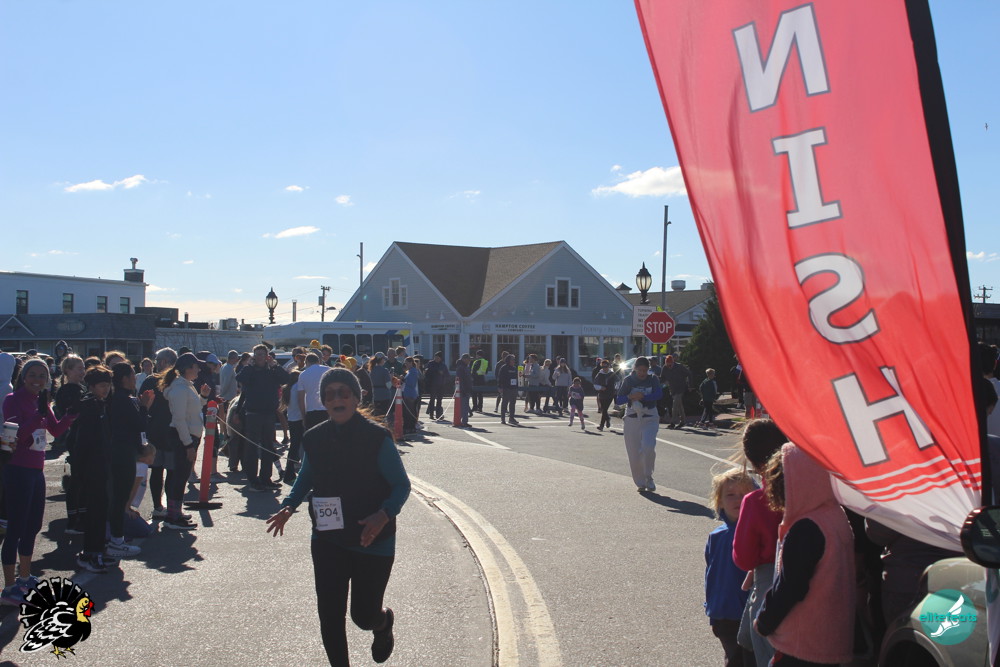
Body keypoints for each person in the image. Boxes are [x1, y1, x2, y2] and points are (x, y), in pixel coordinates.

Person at [265, 368, 411, 667]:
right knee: (330, 615)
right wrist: (289, 506)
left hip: (371, 538)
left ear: (356, 398)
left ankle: (383, 623)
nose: (336, 399)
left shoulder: (376, 437)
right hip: (328, 537)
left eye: (343, 392)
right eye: (329, 394)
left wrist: (383, 514)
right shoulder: (314, 437)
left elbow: (401, 485)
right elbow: (306, 477)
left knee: (363, 616)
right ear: (323, 402)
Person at [754, 443, 855, 666]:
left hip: (801, 643)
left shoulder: (806, 528)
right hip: (831, 639)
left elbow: (791, 586)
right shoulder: (834, 515)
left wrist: (764, 621)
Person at [1, 359, 78, 600]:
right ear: (23, 377)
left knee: (33, 526)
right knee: (15, 528)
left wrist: (71, 415)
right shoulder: (12, 399)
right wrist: (37, 416)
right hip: (17, 469)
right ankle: (9, 588)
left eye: (42, 376)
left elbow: (55, 430)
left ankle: (25, 577)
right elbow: (16, 435)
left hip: (36, 470)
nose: (37, 380)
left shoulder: (41, 401)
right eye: (33, 375)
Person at [732, 419, 786, 667]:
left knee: (760, 646)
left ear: (752, 461)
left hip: (767, 578)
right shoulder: (807, 490)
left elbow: (744, 558)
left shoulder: (756, 501)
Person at [705, 468, 755, 667]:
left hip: (746, 613)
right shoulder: (716, 536)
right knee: (734, 658)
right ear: (719, 502)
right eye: (730, 495)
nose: (738, 500)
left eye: (744, 495)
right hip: (722, 613)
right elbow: (711, 574)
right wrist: (711, 606)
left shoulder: (755, 533)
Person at [72, 366, 115, 574]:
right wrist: (80, 469)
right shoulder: (88, 407)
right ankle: (91, 553)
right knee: (95, 512)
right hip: (91, 466)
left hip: (101, 464)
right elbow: (82, 442)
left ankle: (96, 550)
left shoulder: (101, 405)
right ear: (91, 387)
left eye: (107, 385)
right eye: (101, 386)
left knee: (100, 510)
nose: (105, 389)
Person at [161, 353, 211, 529]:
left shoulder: (186, 386)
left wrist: (203, 397)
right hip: (183, 437)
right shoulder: (180, 389)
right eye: (196, 367)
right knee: (178, 476)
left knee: (181, 476)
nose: (198, 370)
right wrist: (188, 444)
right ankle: (173, 517)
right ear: (188, 368)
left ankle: (176, 512)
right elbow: (179, 419)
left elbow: (193, 409)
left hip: (187, 436)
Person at [107, 362, 153, 557]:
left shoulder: (120, 398)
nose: (135, 378)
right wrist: (144, 407)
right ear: (124, 379)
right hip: (123, 453)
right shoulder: (122, 399)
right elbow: (139, 425)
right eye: (133, 375)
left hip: (122, 452)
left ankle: (115, 537)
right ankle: (116, 540)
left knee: (119, 498)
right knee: (120, 499)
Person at [237, 345, 290, 492]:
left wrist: (275, 365)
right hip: (253, 413)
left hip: (269, 413)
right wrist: (249, 366)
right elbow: (239, 378)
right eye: (257, 354)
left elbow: (286, 379)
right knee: (252, 447)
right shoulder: (250, 371)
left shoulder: (272, 370)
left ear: (267, 356)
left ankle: (266, 478)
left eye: (262, 354)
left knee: (268, 446)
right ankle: (253, 480)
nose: (259, 357)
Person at [615, 357, 663, 493]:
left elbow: (659, 394)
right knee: (634, 453)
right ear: (635, 369)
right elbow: (619, 399)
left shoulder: (653, 379)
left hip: (649, 417)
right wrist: (631, 397)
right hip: (632, 417)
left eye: (645, 370)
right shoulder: (628, 381)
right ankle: (640, 482)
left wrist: (643, 397)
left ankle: (649, 477)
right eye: (640, 370)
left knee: (648, 446)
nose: (642, 373)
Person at [55, 355, 87, 532]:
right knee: (76, 481)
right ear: (67, 370)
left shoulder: (81, 388)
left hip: (85, 437)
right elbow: (70, 414)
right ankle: (73, 520)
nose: (82, 372)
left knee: (83, 480)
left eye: (83, 368)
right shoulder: (67, 391)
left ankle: (82, 515)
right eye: (78, 369)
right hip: (76, 438)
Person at [281, 370, 303, 485]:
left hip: (292, 419)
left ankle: (289, 472)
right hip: (299, 419)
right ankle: (291, 473)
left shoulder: (288, 389)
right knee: (299, 447)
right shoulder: (297, 388)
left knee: (294, 447)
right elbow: (301, 402)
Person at [299, 353, 329, 431]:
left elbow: (301, 398)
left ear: (306, 362)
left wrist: (303, 417)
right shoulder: (328, 370)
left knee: (313, 436)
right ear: (318, 361)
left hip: (311, 411)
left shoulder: (303, 375)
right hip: (328, 409)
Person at [660, 355, 692, 428]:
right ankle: (683, 421)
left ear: (673, 362)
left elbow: (689, 374)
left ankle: (673, 422)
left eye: (670, 364)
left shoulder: (679, 366)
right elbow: (662, 378)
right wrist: (665, 381)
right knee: (679, 405)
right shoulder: (664, 368)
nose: (669, 366)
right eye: (667, 364)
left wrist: (690, 385)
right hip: (672, 389)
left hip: (681, 388)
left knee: (675, 404)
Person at [593, 359, 617, 431]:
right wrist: (601, 387)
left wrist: (615, 389)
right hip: (602, 394)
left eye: (606, 366)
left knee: (605, 409)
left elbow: (618, 381)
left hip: (610, 394)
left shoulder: (612, 374)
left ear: (608, 366)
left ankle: (601, 426)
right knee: (603, 410)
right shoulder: (599, 374)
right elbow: (595, 384)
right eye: (603, 367)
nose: (604, 368)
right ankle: (608, 418)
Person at [496, 354, 520, 426]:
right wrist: (500, 387)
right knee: (504, 404)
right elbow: (500, 378)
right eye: (512, 359)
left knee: (512, 404)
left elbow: (516, 378)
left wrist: (517, 387)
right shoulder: (504, 368)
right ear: (508, 360)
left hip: (513, 388)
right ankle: (503, 419)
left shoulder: (514, 368)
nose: (514, 361)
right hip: (506, 388)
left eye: (514, 359)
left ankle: (511, 418)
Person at [401, 357, 420, 435]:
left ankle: (410, 427)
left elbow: (412, 384)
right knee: (409, 412)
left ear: (411, 363)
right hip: (408, 393)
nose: (406, 365)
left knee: (409, 412)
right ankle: (410, 427)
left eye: (407, 363)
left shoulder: (413, 371)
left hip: (410, 394)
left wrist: (403, 379)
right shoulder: (410, 371)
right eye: (405, 363)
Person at [455, 354, 472, 427]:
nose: (469, 361)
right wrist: (463, 389)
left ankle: (463, 421)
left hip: (466, 389)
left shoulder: (465, 367)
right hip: (463, 389)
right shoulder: (461, 368)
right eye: (468, 359)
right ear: (464, 359)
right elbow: (460, 380)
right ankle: (463, 421)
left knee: (464, 406)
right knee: (464, 406)